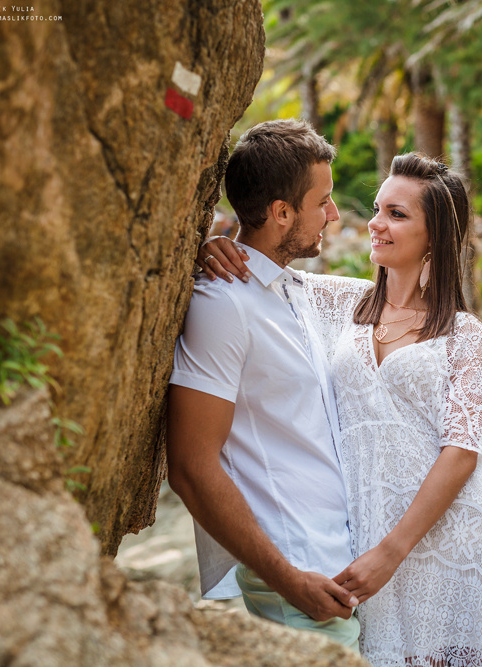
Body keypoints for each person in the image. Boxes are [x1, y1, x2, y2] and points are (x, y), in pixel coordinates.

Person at [201, 153, 482, 665]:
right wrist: (217, 247)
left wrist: (390, 552)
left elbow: (462, 452)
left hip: (457, 548)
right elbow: (263, 270)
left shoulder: (462, 334)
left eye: (396, 214)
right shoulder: (341, 303)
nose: (375, 223)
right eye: (378, 208)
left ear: (435, 236)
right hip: (366, 548)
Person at [167, 118, 363, 649]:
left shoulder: (292, 290)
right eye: (323, 201)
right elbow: (190, 466)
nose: (334, 214)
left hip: (338, 566)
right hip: (300, 581)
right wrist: (289, 580)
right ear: (281, 213)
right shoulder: (222, 304)